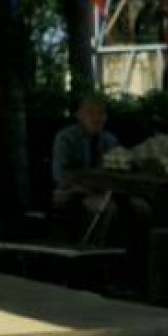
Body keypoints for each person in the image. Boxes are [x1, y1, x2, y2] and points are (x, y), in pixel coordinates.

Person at [47, 95, 125, 237]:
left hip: (105, 192)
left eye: (101, 113)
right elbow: (60, 175)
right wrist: (86, 187)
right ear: (79, 116)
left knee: (140, 208)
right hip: (72, 191)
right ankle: (93, 250)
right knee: (105, 209)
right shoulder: (65, 138)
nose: (97, 118)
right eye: (90, 112)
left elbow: (119, 170)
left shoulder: (110, 140)